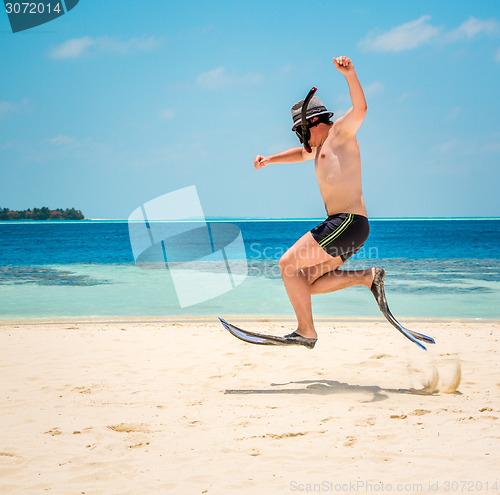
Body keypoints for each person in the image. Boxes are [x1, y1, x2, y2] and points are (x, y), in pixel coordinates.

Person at [254, 56, 386, 349]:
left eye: (302, 131)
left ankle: (306, 331)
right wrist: (269, 160)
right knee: (306, 281)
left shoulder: (340, 133)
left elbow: (361, 108)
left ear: (314, 122)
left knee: (287, 264)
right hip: (348, 227)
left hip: (347, 222)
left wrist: (350, 74)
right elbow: (299, 154)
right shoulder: (318, 147)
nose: (302, 139)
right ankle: (367, 278)